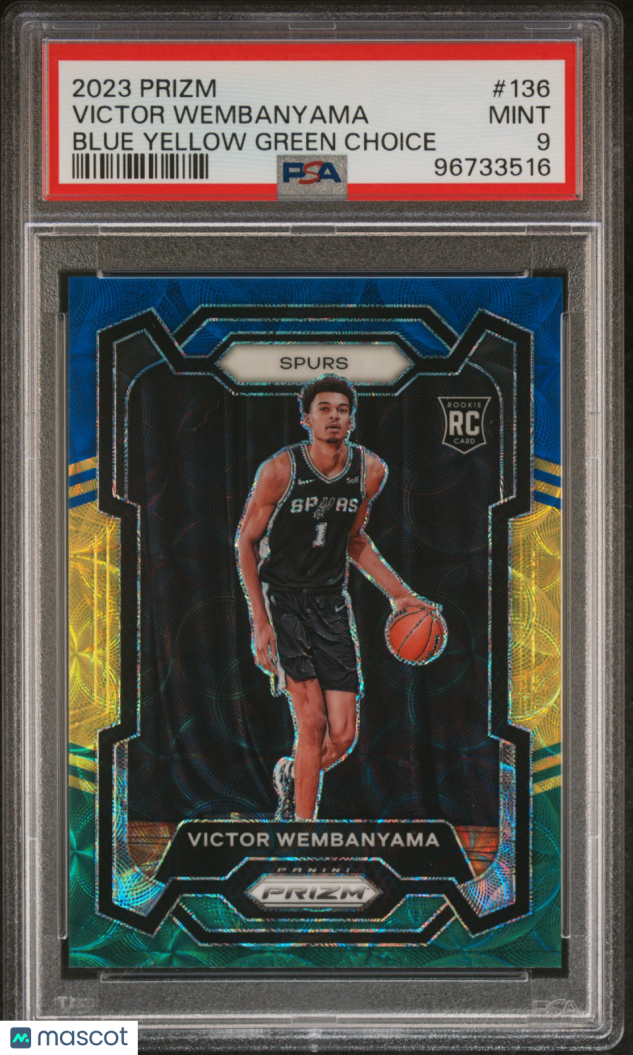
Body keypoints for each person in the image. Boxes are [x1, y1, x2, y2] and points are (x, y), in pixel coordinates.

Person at [236, 375, 431, 822]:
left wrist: (401, 596)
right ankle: (302, 832)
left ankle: (292, 775)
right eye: (323, 409)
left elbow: (354, 539)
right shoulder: (279, 471)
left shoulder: (370, 471)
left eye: (342, 410)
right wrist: (259, 621)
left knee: (342, 737)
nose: (333, 417)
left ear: (351, 420)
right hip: (284, 602)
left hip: (330, 604)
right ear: (306, 419)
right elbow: (245, 542)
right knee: (312, 723)